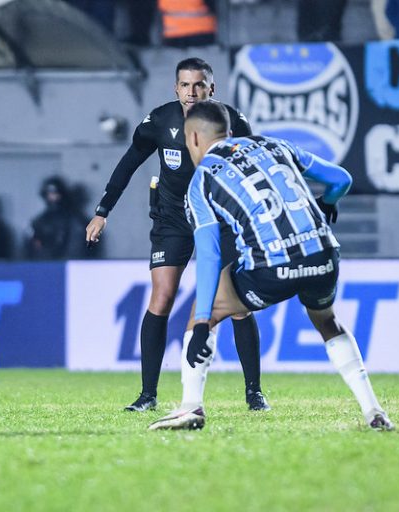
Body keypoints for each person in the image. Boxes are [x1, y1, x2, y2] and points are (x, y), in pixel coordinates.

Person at [149, 101, 394, 431]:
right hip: (323, 256)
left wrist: (204, 322)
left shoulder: (202, 181)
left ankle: (191, 406)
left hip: (272, 267)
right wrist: (328, 202)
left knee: (204, 306)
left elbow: (208, 256)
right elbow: (341, 179)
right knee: (327, 322)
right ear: (230, 132)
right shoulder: (275, 144)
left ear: (193, 139)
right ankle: (373, 411)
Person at [85, 58, 271, 413]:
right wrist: (102, 211)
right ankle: (147, 395)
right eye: (185, 85)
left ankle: (254, 393)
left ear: (211, 89)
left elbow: (255, 169)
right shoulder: (160, 121)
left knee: (237, 304)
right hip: (172, 220)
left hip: (219, 219)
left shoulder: (233, 123)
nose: (192, 92)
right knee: (163, 295)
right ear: (176, 88)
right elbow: (128, 162)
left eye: (199, 85)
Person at [26, 175, 89, 260]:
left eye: (55, 194)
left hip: (71, 265)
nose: (52, 198)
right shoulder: (39, 222)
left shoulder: (75, 222)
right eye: (49, 194)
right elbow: (32, 248)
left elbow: (79, 248)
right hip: (44, 265)